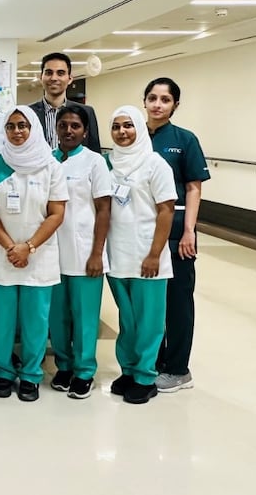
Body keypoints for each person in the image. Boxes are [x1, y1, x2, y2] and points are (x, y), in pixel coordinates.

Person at [0, 105, 68, 402]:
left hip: (38, 255)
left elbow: (56, 212)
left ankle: (30, 375)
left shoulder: (51, 166)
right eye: (11, 126)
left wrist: (28, 247)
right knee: (1, 318)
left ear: (34, 129)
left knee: (35, 319)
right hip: (0, 254)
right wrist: (10, 247)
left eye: (23, 126)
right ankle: (2, 372)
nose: (17, 131)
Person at [105, 105, 176, 405]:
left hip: (149, 254)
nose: (123, 132)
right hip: (117, 253)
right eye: (117, 127)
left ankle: (146, 376)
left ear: (140, 129)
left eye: (129, 126)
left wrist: (155, 253)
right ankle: (129, 370)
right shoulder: (107, 163)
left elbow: (166, 210)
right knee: (128, 319)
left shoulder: (155, 164)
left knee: (149, 320)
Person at [144, 78, 210, 393]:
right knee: (150, 303)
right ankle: (152, 362)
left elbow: (194, 187)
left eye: (165, 99)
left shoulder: (185, 140)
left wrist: (188, 232)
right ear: (144, 101)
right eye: (153, 98)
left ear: (175, 106)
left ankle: (178, 368)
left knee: (177, 301)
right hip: (143, 231)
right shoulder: (133, 135)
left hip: (176, 232)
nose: (158, 104)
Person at [48, 105, 112, 399]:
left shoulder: (94, 162)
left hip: (85, 252)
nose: (69, 131)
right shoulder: (47, 160)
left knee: (85, 316)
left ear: (85, 131)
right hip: (51, 255)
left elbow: (103, 208)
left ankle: (84, 371)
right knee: (57, 317)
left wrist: (97, 253)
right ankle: (64, 365)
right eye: (64, 125)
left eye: (75, 126)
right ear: (56, 129)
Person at [28, 53, 101, 153]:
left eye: (60, 73)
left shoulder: (86, 112)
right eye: (49, 73)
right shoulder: (28, 113)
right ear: (41, 77)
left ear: (70, 79)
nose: (54, 78)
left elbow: (94, 152)